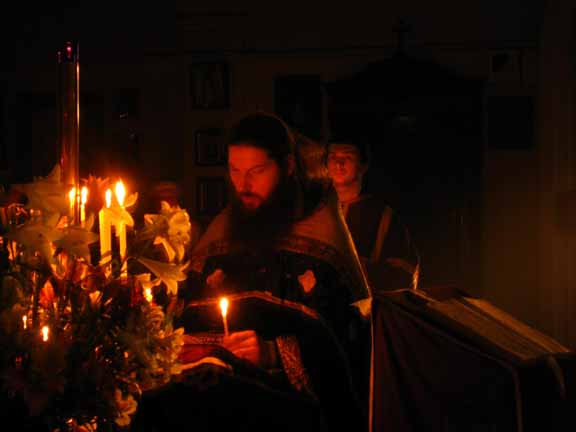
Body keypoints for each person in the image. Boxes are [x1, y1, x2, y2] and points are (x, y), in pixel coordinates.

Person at [132, 112, 372, 432]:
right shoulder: (224, 229)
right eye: (235, 170)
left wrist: (273, 353)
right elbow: (187, 312)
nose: (243, 185)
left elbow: (347, 340)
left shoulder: (323, 238)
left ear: (287, 166)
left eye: (257, 171)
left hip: (287, 413)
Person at [326, 138, 420, 295]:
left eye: (347, 157)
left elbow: (404, 272)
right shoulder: (314, 210)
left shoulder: (383, 216)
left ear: (363, 166)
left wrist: (353, 269)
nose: (338, 163)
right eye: (333, 156)